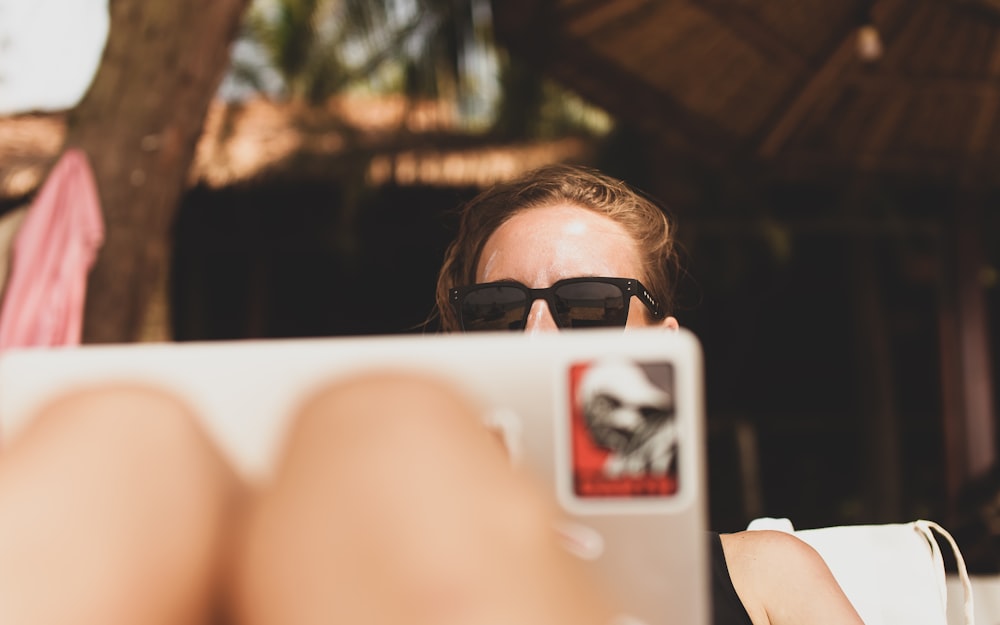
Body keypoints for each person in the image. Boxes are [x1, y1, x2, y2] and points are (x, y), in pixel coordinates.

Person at [432, 162, 865, 625]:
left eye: (590, 305)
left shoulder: (768, 576)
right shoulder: (392, 586)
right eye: (495, 311)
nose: (538, 339)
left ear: (662, 345)